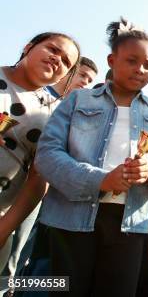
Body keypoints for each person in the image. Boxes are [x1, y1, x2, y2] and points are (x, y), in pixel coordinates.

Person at [34, 19, 148, 297]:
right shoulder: (78, 101)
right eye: (132, 61)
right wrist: (100, 180)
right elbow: (47, 154)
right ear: (112, 60)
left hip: (130, 223)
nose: (140, 70)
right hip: (71, 217)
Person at [0, 32, 81, 277]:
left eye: (66, 62)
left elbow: (38, 180)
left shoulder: (57, 116)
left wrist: (5, 228)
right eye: (53, 49)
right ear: (28, 47)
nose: (58, 59)